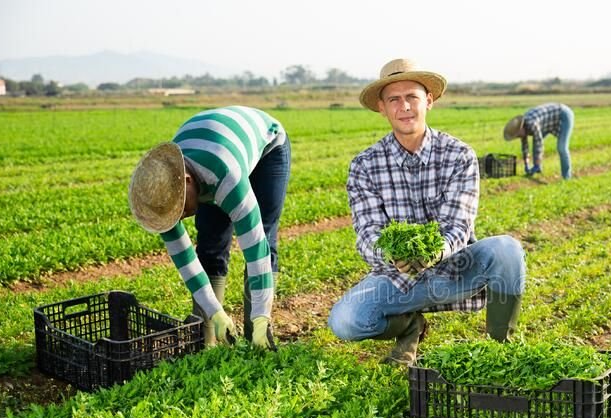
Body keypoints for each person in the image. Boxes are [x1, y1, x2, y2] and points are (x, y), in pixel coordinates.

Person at [328, 59, 526, 365]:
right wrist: (392, 256)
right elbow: (368, 235)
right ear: (382, 107)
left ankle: (502, 350)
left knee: (507, 249)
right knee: (345, 321)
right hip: (400, 279)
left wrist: (436, 252)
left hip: (457, 270)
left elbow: (459, 225)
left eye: (412, 97)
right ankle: (410, 326)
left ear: (428, 101)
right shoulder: (365, 165)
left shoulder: (458, 154)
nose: (404, 106)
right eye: (394, 99)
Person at [128, 106, 291, 349]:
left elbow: (256, 247)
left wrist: (261, 317)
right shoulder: (162, 189)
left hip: (268, 146)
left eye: (181, 207)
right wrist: (215, 312)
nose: (179, 215)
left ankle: (256, 333)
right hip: (210, 148)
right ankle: (207, 336)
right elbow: (184, 258)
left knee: (264, 235)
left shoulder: (226, 177)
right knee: (211, 243)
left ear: (187, 181)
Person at [503, 103, 574, 179]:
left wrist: (537, 163)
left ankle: (567, 177)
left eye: (518, 135)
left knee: (562, 148)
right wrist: (526, 163)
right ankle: (538, 168)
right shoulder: (522, 128)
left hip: (563, 115)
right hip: (548, 120)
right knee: (535, 142)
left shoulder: (532, 124)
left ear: (521, 128)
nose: (518, 137)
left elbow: (539, 143)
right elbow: (525, 146)